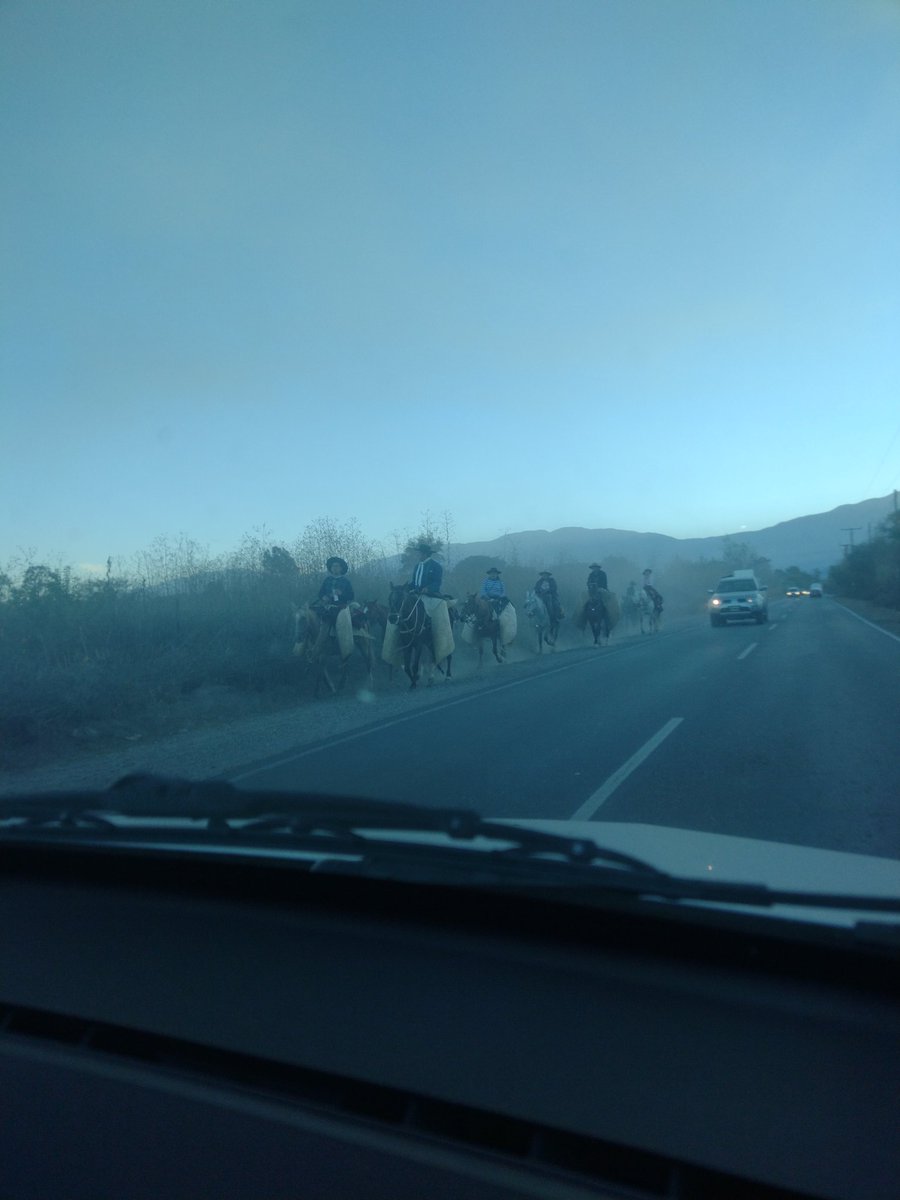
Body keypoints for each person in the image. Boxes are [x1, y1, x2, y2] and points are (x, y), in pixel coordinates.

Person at [316, 556, 354, 626]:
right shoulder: (327, 580)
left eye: (337, 566)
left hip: (341, 607)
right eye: (333, 566)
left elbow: (351, 596)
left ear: (341, 568)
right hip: (326, 606)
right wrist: (323, 597)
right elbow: (320, 593)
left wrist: (341, 594)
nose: (334, 568)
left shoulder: (346, 581)